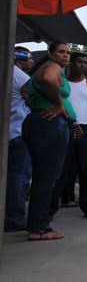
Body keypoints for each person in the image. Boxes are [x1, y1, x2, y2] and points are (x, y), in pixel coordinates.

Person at [22, 41, 76, 241]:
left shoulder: (39, 68)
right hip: (50, 125)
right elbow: (49, 79)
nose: (66, 55)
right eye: (61, 51)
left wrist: (36, 103)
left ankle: (36, 225)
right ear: (51, 53)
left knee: (41, 177)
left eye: (68, 52)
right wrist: (58, 105)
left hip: (36, 122)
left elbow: (23, 91)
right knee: (48, 178)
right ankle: (40, 228)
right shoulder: (52, 67)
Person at [50, 53, 87, 219]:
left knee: (85, 171)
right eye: (79, 62)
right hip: (66, 127)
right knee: (62, 170)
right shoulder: (62, 83)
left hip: (86, 130)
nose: (83, 65)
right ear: (71, 64)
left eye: (85, 62)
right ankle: (51, 209)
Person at [4, 47, 34, 232]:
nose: (32, 62)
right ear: (21, 58)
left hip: (8, 132)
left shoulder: (8, 74)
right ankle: (15, 218)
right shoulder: (22, 78)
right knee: (19, 176)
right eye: (30, 58)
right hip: (19, 131)